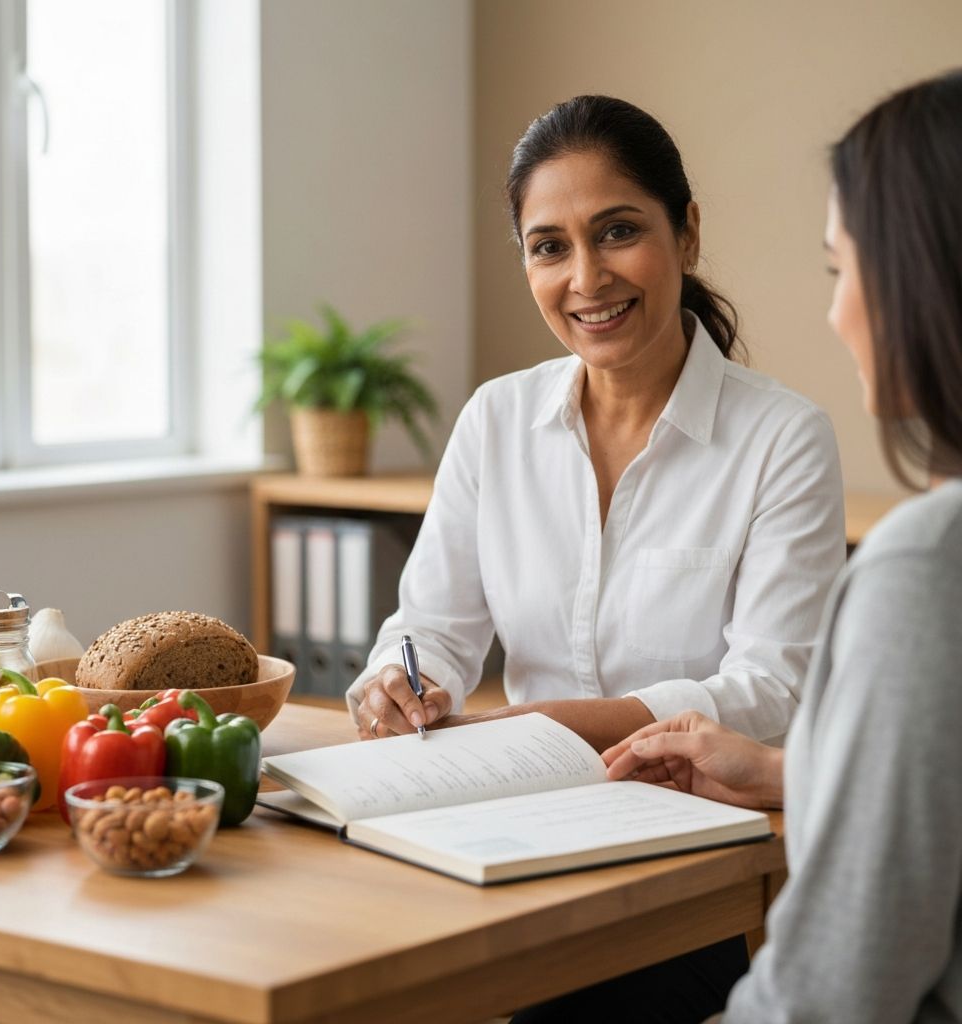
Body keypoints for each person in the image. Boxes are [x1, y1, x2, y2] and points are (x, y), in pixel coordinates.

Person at [592, 69, 962, 1023]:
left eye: (845, 271)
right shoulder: (492, 419)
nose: (838, 314)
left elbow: (836, 994)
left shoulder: (927, 564)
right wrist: (788, 773)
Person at [347, 94, 844, 755]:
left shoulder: (784, 439)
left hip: (704, 813)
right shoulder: (494, 420)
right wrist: (402, 681)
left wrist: (549, 724)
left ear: (687, 233)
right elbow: (432, 629)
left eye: (618, 232)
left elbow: (775, 689)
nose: (588, 278)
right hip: (526, 798)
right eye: (550, 247)